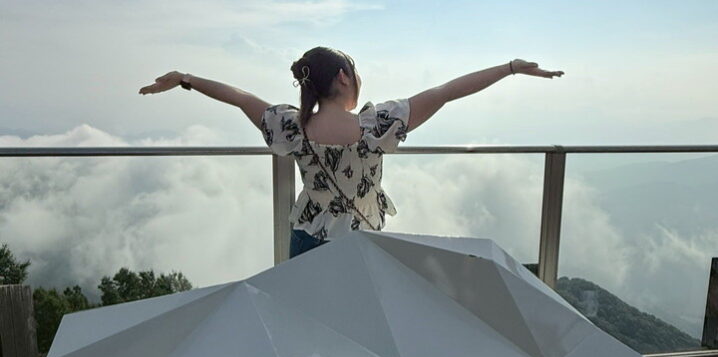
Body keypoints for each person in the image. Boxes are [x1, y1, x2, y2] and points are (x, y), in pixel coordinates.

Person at [139, 47, 564, 258]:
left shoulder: (291, 126)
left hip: (306, 240)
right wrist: (510, 68)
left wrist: (186, 78)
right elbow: (447, 92)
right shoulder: (377, 126)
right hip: (361, 244)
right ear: (344, 77)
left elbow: (239, 98)